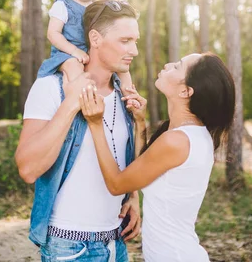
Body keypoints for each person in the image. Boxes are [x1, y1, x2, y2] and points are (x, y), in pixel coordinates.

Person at [16, 0, 143, 262]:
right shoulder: (51, 87)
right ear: (95, 38)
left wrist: (132, 196)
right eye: (125, 40)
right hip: (70, 247)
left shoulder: (125, 95)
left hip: (115, 242)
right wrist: (70, 104)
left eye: (136, 41)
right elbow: (27, 169)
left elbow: (124, 155)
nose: (135, 50)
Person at [80, 52, 236, 262]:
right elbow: (145, 166)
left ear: (185, 91)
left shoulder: (177, 141)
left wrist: (95, 123)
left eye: (177, 66)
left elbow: (117, 184)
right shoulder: (195, 135)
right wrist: (140, 122)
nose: (168, 64)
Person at [37, 0, 133, 91]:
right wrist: (75, 51)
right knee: (74, 67)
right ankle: (83, 99)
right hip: (67, 54)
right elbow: (53, 34)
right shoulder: (63, 5)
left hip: (91, 54)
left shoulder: (98, 10)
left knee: (122, 68)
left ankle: (129, 95)